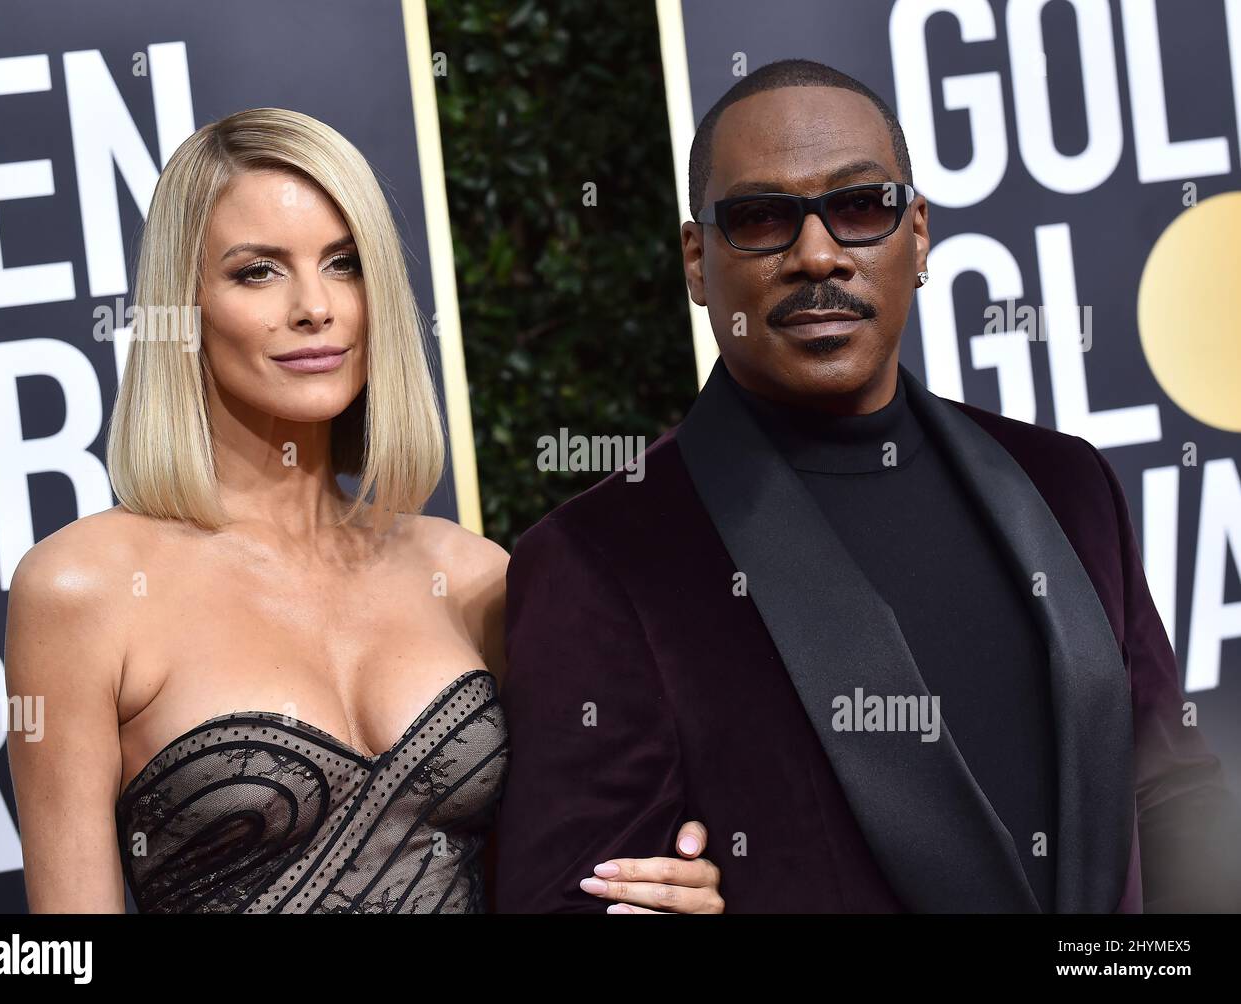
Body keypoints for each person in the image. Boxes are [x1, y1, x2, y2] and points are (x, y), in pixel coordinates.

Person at [493, 60, 1241, 913]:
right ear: (698, 263)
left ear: (916, 235)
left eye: (858, 207)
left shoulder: (1066, 481)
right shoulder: (602, 557)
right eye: (762, 218)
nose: (817, 254)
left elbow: (1170, 796)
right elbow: (570, 898)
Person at [3, 107, 722, 914]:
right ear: (183, 308)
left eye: (344, 264)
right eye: (257, 271)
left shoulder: (474, 575)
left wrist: (660, 883)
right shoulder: (83, 590)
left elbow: (560, 866)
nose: (316, 306)